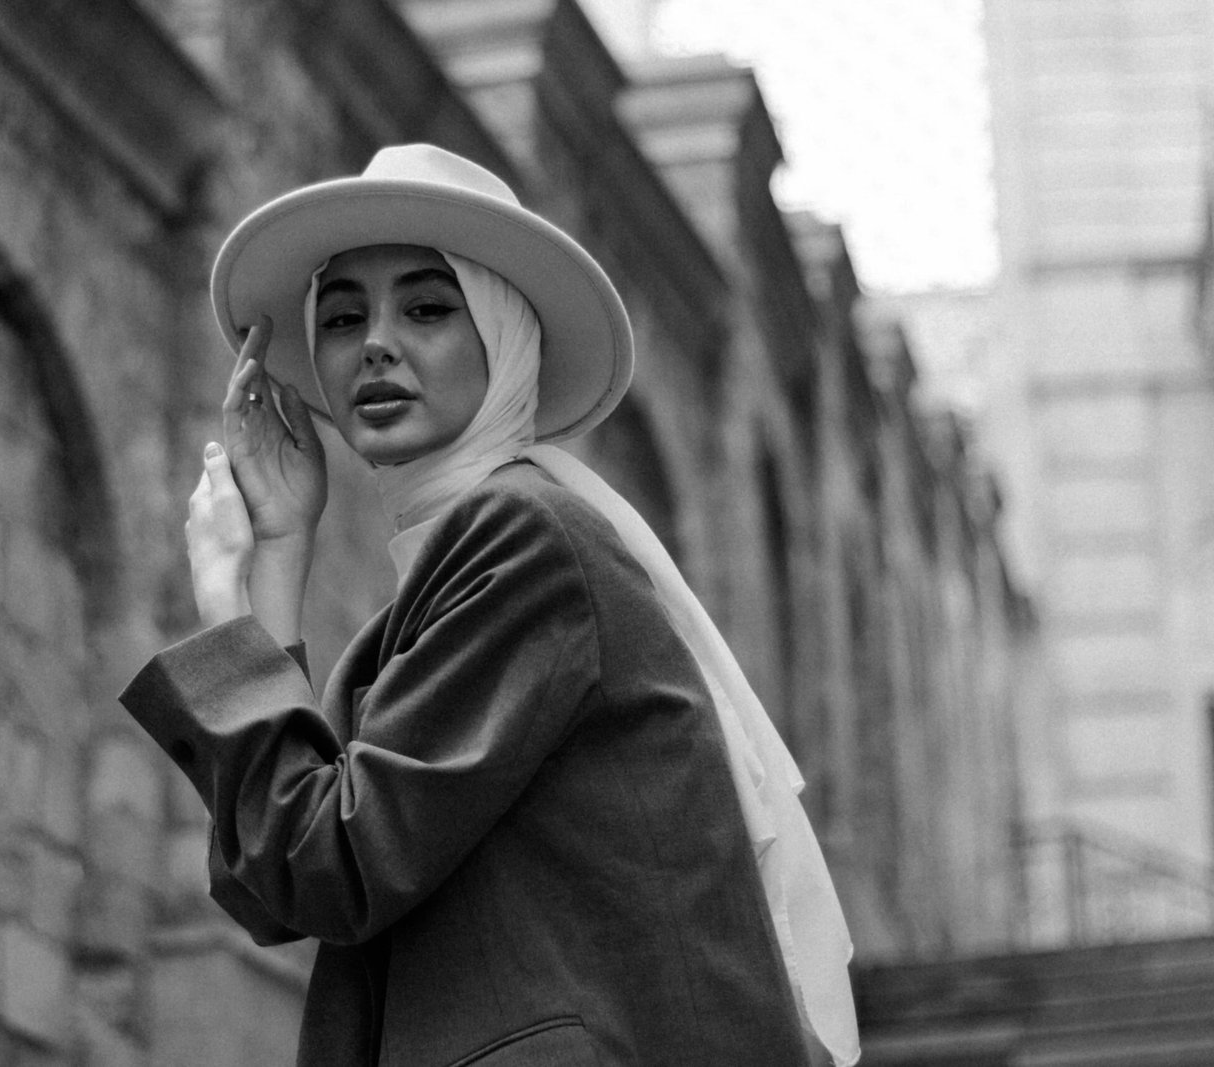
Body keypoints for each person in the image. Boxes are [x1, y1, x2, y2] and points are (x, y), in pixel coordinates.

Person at [120, 144, 860, 1066]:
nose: (376, 343)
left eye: (426, 307)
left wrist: (226, 604)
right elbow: (273, 883)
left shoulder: (525, 536)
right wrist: (278, 552)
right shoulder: (435, 598)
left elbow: (328, 864)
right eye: (342, 317)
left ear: (504, 338)